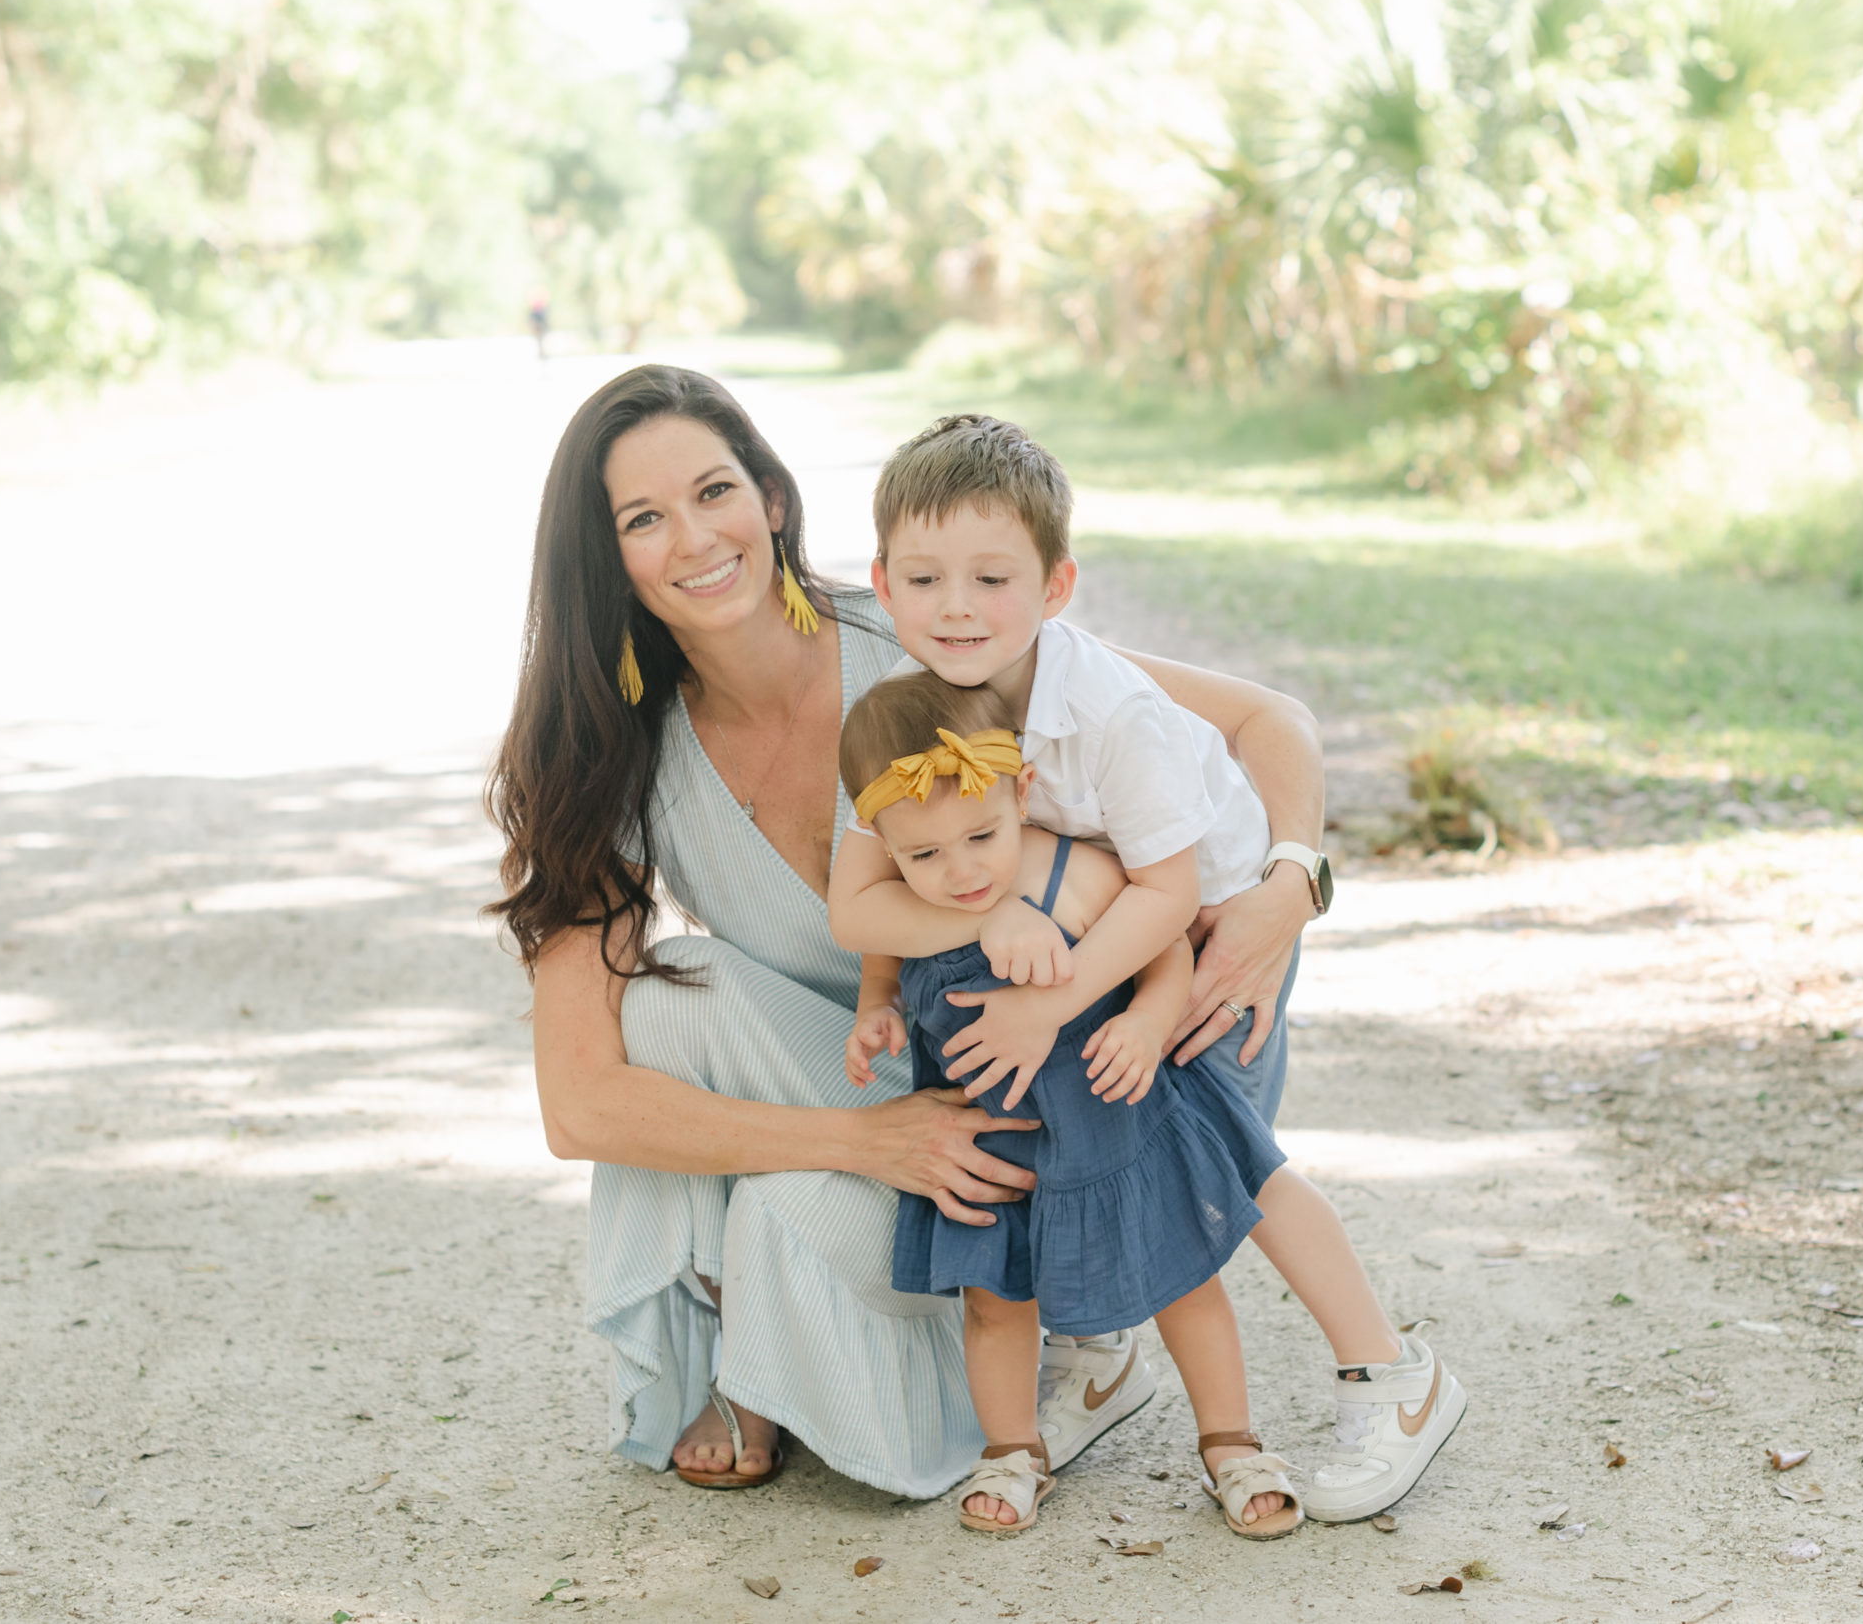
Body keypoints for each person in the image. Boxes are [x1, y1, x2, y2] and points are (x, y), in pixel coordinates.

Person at [487, 365, 1341, 1500]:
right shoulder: (619, 758)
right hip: (903, 1095)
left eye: (713, 490)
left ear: (773, 499)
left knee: (795, 1190)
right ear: (611, 559)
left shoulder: (925, 641)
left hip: (1086, 1059)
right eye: (644, 518)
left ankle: (1041, 1321)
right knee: (672, 995)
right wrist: (870, 1142)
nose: (694, 537)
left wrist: (1290, 883)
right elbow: (578, 1102)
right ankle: (801, 1335)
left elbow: (1261, 719)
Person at [829, 413, 1462, 1525]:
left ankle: (1391, 1371)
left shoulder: (1105, 704)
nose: (958, 604)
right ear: (882, 583)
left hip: (1215, 930)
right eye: (925, 578)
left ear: (1056, 584)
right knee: (1081, 1138)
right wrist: (997, 943)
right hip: (1092, 937)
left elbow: (1169, 890)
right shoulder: (903, 711)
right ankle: (1103, 1359)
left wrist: (1054, 993)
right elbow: (861, 897)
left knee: (1224, 1164)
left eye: (991, 575)